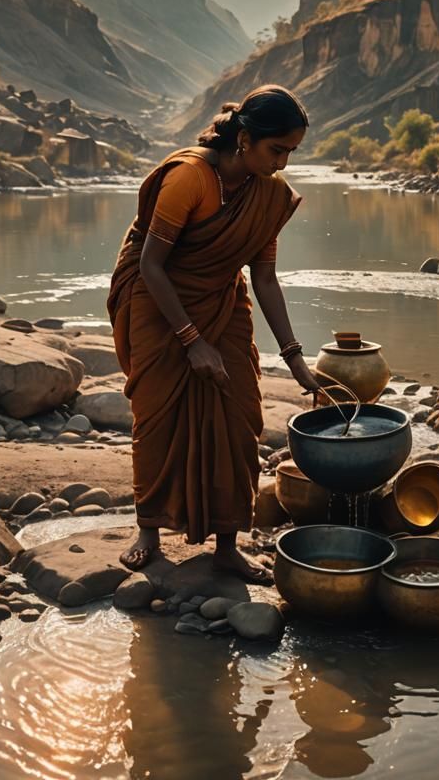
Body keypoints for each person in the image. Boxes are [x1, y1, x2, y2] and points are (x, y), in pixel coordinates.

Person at [107, 84, 321, 583]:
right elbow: (151, 264)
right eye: (277, 150)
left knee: (240, 418)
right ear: (244, 138)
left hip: (224, 303)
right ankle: (148, 532)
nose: (284, 164)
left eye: (291, 152)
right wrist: (191, 341)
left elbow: (264, 277)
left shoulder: (268, 194)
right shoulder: (189, 179)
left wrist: (296, 362)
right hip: (158, 303)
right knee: (156, 418)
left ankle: (228, 544)